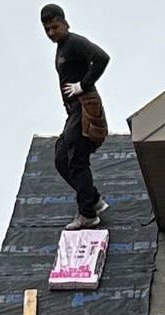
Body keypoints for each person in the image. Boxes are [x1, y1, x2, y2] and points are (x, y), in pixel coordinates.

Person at [40, 4, 110, 230]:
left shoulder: (74, 42)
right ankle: (94, 199)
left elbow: (101, 57)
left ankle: (87, 213)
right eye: (47, 29)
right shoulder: (61, 47)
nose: (51, 33)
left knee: (77, 160)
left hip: (84, 106)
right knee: (62, 158)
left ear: (65, 23)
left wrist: (84, 84)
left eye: (55, 27)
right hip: (73, 111)